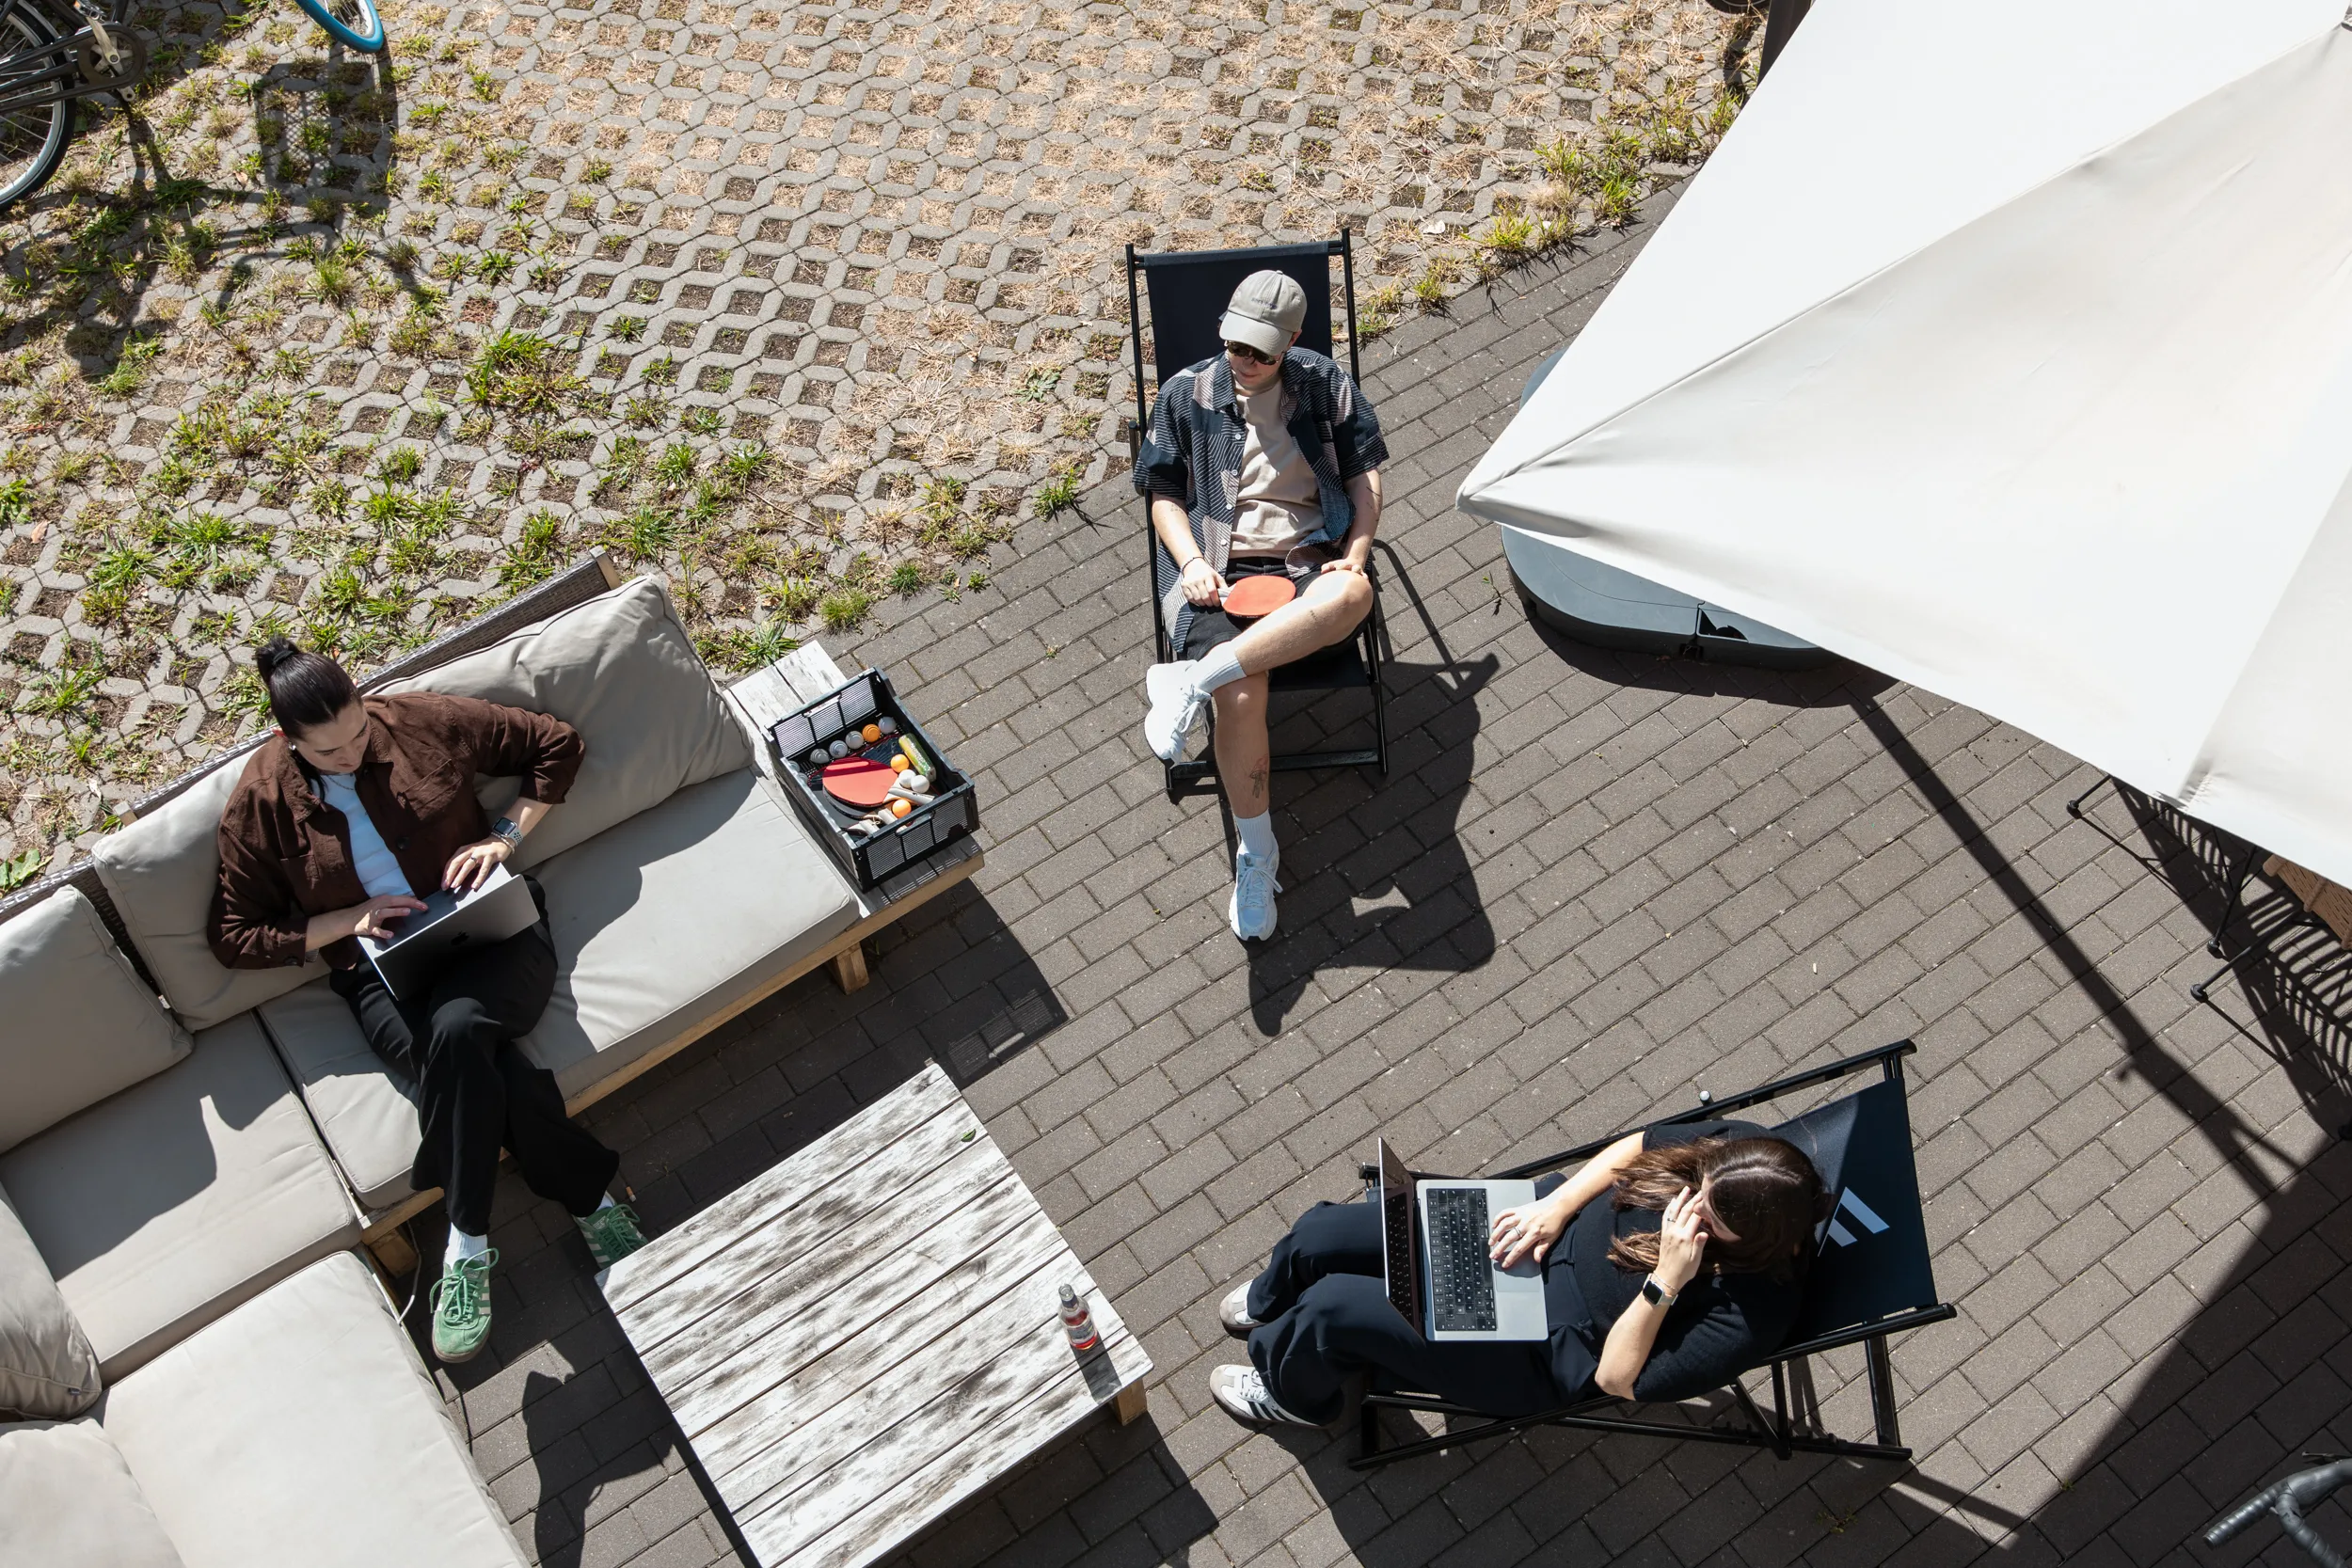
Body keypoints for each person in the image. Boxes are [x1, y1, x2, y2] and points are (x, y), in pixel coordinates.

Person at [207, 638, 648, 1365]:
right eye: (331, 751)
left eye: (358, 732)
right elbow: (235, 933)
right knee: (477, 1059)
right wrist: (349, 920)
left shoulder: (416, 721)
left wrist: (505, 836)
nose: (353, 753)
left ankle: (466, 1243)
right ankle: (590, 1199)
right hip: (380, 973)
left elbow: (555, 745)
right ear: (287, 740)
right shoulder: (259, 805)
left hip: (497, 932)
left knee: (458, 1026)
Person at [1205, 1119, 1827, 1428]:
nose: (1688, 1202)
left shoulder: (1749, 1313)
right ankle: (1270, 1300)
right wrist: (1554, 1207)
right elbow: (1638, 1146)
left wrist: (1667, 1278)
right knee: (1321, 1232)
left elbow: (1616, 1378)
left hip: (1538, 1347)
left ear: (1752, 1240)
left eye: (1708, 1214)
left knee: (1333, 1307)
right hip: (1527, 1228)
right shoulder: (1743, 1155)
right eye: (1700, 1182)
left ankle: (1291, 1394)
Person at [1135, 268, 1389, 942]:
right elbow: (1161, 492)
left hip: (1305, 560)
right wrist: (1189, 562)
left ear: (1292, 341)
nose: (1244, 362)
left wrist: (1356, 551)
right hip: (1215, 568)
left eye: (1260, 353)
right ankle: (1257, 853)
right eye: (1235, 346)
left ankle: (1196, 678)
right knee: (1243, 699)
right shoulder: (1186, 394)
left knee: (1355, 591)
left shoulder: (1324, 384)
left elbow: (1365, 477)